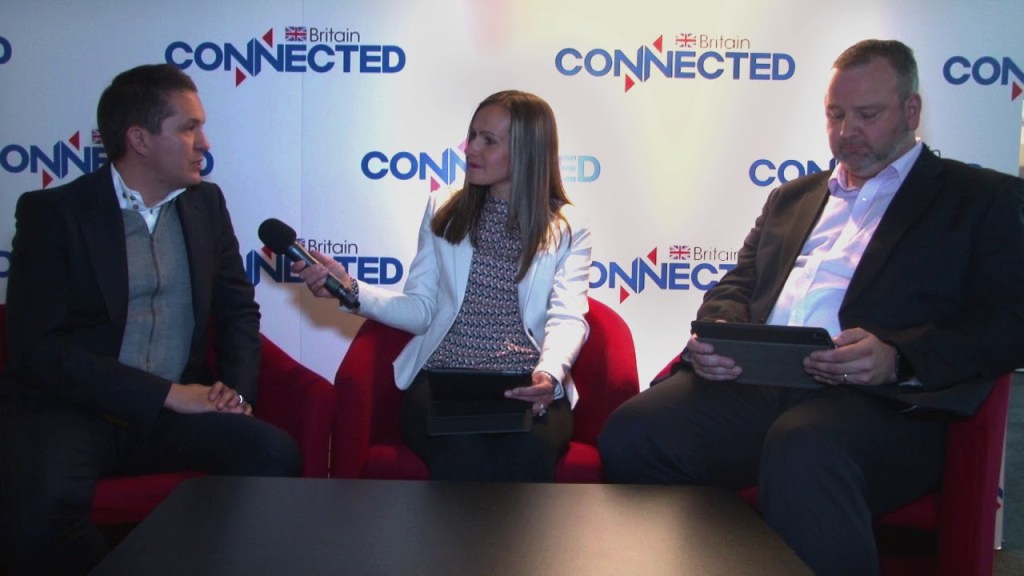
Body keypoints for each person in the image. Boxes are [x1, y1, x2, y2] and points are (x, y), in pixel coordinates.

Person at [598, 39, 1024, 576]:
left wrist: (898, 357)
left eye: (867, 114)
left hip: (883, 405)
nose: (847, 131)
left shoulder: (980, 198)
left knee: (804, 445)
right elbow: (739, 283)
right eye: (835, 115)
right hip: (759, 386)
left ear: (911, 110)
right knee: (634, 433)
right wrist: (724, 328)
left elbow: (1009, 322)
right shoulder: (792, 197)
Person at [0, 64, 302, 575]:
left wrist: (235, 394)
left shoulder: (206, 204)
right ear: (139, 139)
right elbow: (39, 349)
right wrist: (166, 394)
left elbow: (237, 311)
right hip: (74, 410)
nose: (204, 143)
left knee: (272, 454)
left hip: (175, 415)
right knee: (41, 506)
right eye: (188, 128)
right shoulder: (54, 214)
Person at [294, 90, 591, 482]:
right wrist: (349, 288)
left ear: (527, 151)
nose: (471, 149)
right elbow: (421, 309)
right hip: (444, 381)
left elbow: (567, 317)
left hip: (525, 381)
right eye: (473, 135)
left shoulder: (567, 228)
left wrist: (548, 375)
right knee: (461, 452)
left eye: (489, 141)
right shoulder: (444, 208)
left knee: (528, 452)